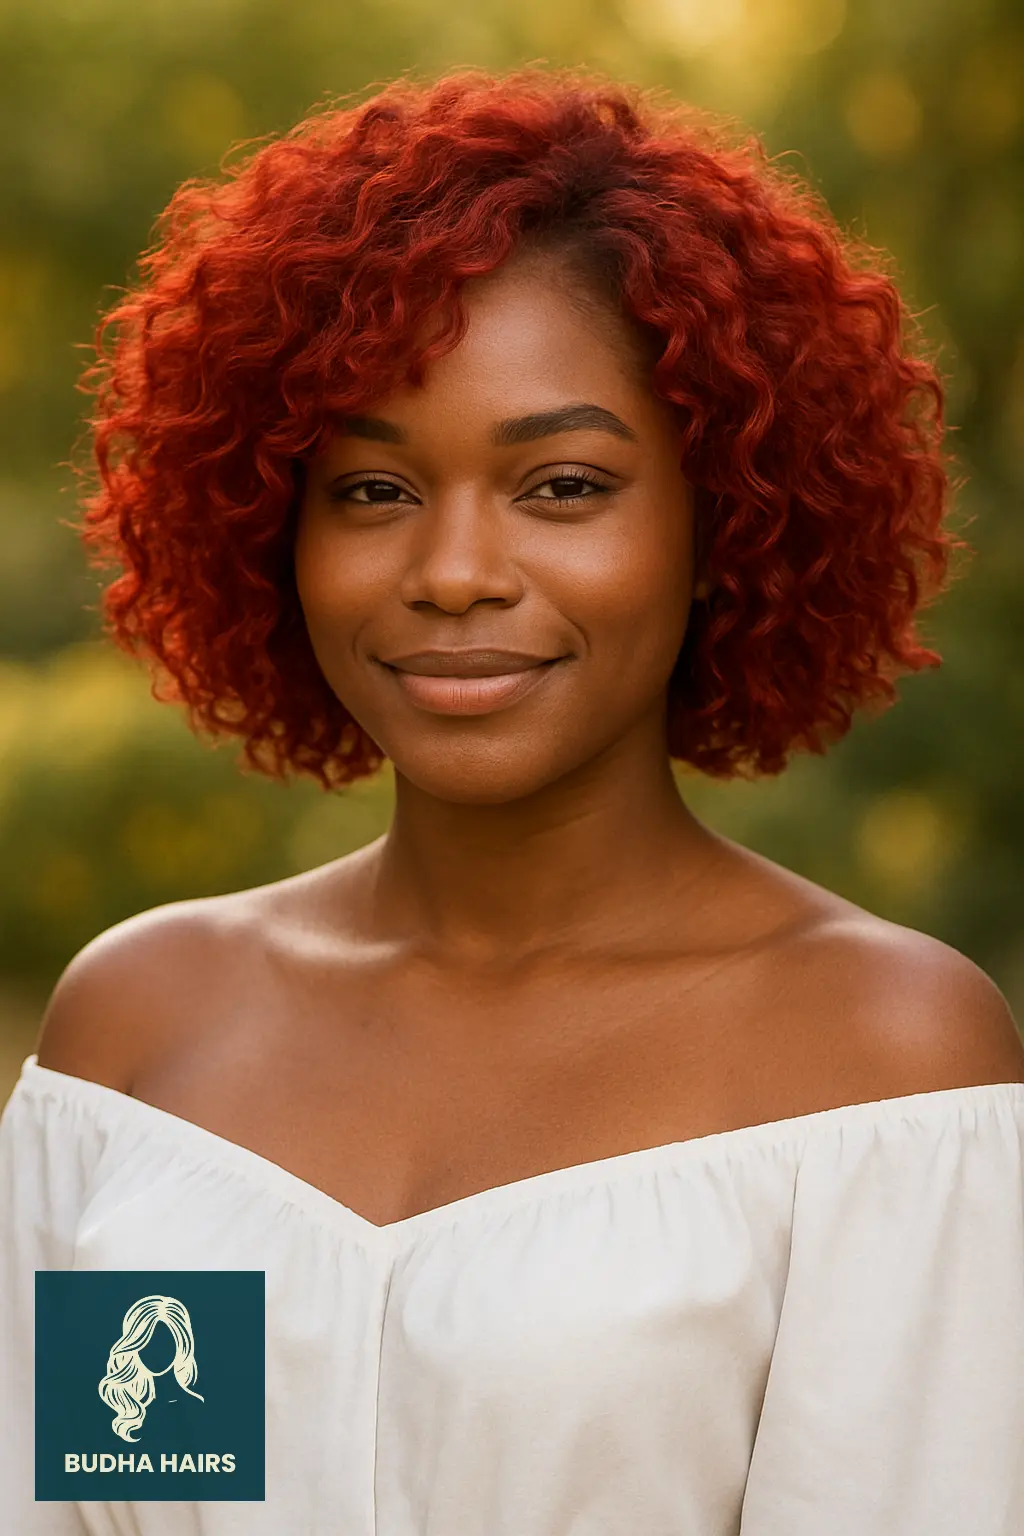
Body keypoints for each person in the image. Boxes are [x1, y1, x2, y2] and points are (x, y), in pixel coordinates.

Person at [2, 66, 1023, 1535]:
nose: (456, 571)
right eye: (372, 492)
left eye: (561, 486)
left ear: (722, 518)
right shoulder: (149, 1036)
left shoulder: (885, 1066)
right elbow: (109, 1497)